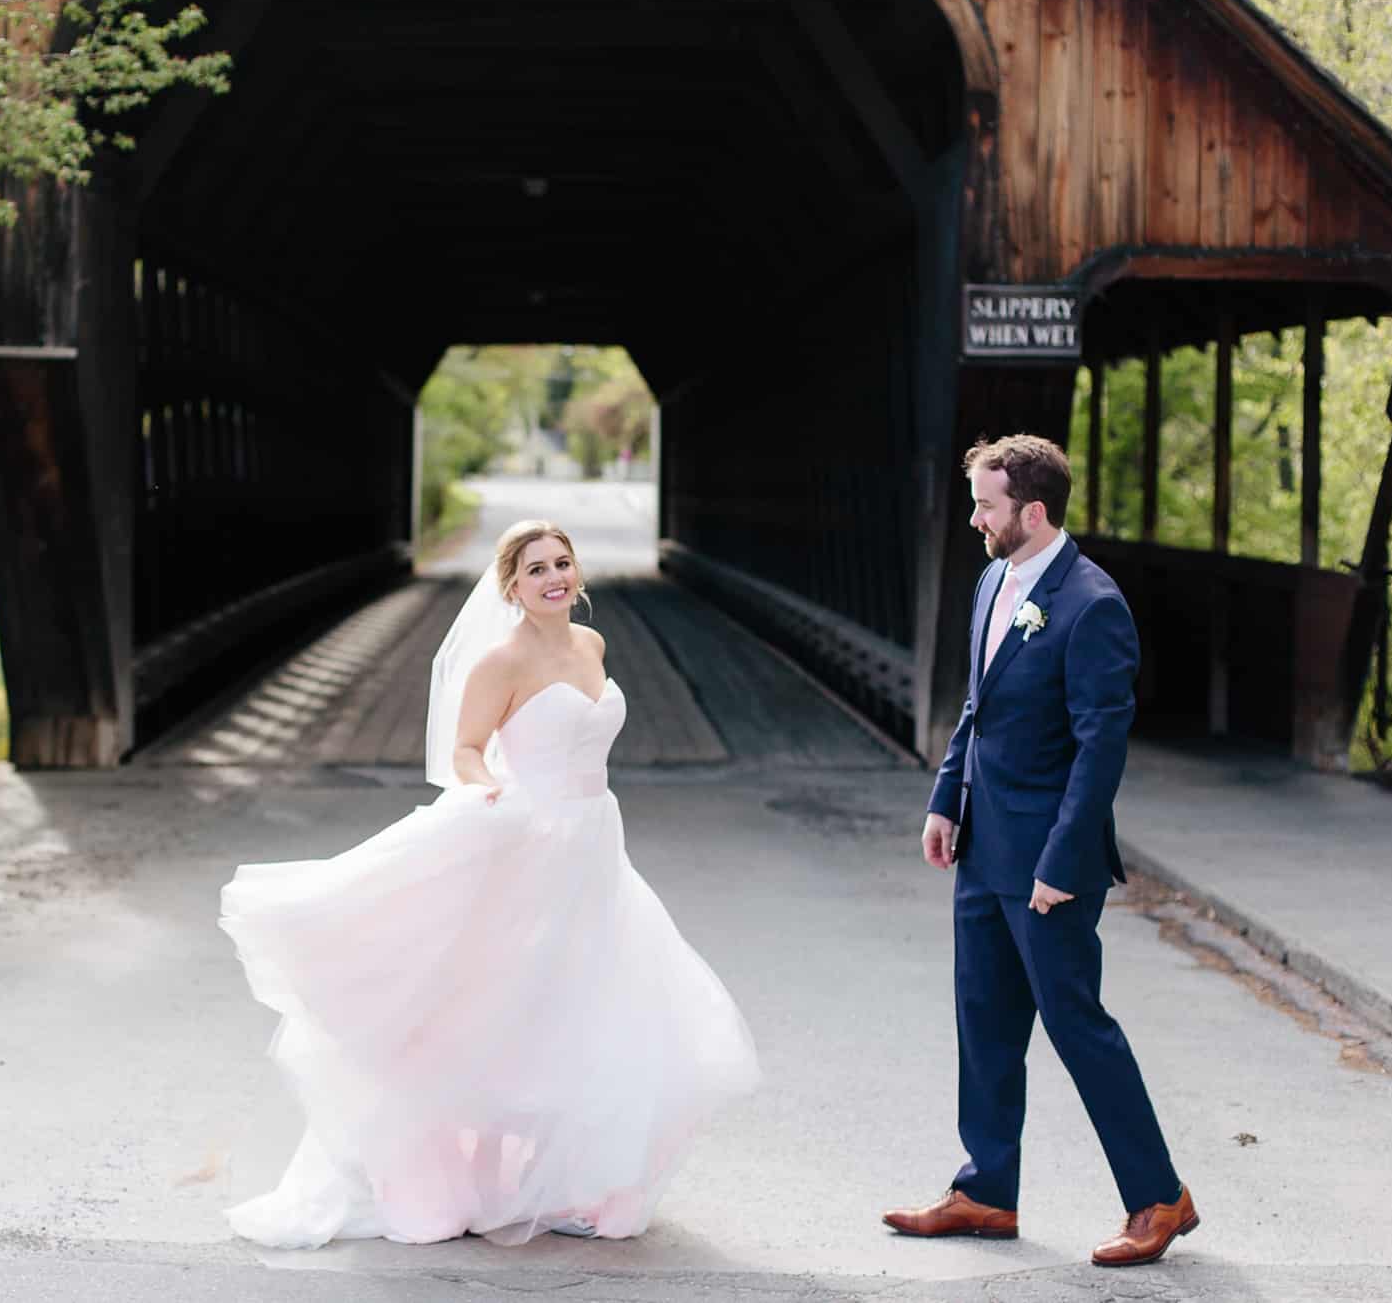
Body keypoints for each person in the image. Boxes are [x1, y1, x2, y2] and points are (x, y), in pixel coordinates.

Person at [219, 519, 759, 1249]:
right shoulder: (501, 663)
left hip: (596, 843)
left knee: (590, 1005)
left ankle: (562, 1176)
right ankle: (451, 1170)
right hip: (530, 839)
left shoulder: (592, 646)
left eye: (562, 562)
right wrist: (488, 794)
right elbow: (467, 750)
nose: (553, 577)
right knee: (502, 1007)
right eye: (536, 569)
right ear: (512, 586)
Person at [886, 435, 1198, 1268]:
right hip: (983, 844)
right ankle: (986, 1190)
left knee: (1076, 1024)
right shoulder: (994, 579)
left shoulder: (1093, 603)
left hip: (1048, 864)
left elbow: (1102, 747)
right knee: (983, 1018)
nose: (975, 518)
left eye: (986, 505)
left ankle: (1160, 1197)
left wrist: (1062, 862)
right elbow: (976, 704)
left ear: (1031, 510)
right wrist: (946, 797)